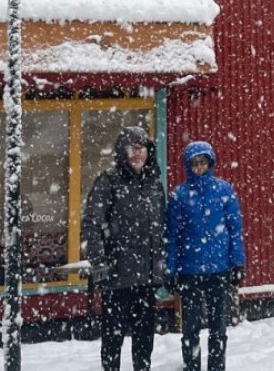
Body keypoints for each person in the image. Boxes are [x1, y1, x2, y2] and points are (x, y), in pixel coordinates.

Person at [81, 126, 166, 371]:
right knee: (113, 338)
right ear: (123, 151)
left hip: (147, 275)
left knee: (144, 337)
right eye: (133, 148)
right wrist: (99, 261)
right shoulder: (108, 181)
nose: (138, 153)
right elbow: (91, 222)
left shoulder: (153, 183)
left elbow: (161, 225)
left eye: (142, 148)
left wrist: (163, 262)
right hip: (117, 275)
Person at [167, 141, 245, 371]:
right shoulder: (179, 195)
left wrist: (238, 262)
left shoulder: (223, 190)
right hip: (190, 271)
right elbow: (172, 235)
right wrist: (171, 269)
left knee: (218, 327)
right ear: (188, 165)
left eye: (203, 162)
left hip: (219, 270)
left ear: (210, 163)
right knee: (190, 329)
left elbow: (235, 229)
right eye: (195, 163)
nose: (199, 167)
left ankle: (216, 366)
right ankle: (192, 366)